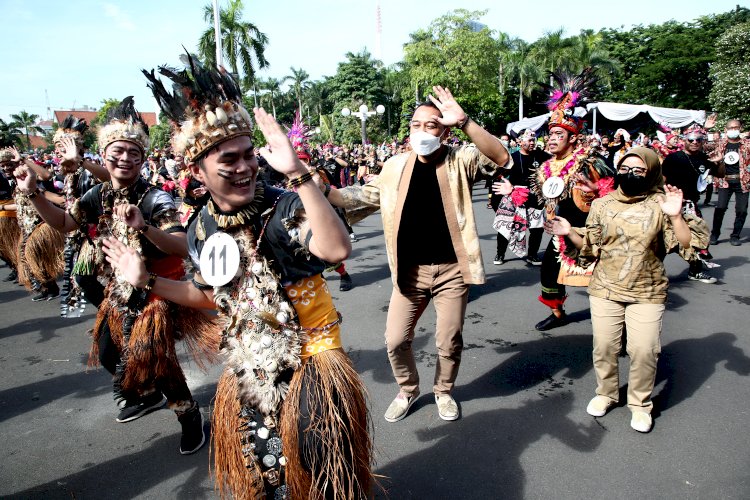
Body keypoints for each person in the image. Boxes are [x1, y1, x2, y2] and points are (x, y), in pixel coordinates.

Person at [136, 55, 373, 498]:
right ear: (197, 171)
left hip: (312, 363)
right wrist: (146, 281)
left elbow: (337, 248)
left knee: (320, 465)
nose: (245, 167)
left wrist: (297, 173)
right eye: (229, 159)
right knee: (269, 475)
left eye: (250, 155)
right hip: (249, 370)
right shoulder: (200, 226)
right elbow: (210, 296)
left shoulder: (284, 205)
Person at [13, 97, 215, 455]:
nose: (125, 159)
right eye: (117, 151)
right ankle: (150, 393)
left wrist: (145, 227)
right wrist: (31, 194)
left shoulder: (155, 198)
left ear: (142, 159)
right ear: (105, 155)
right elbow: (63, 222)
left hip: (157, 292)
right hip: (118, 291)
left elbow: (182, 247)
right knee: (109, 354)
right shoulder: (97, 194)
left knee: (157, 357)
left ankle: (188, 416)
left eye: (133, 153)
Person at [326, 86, 510, 422]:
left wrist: (465, 121)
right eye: (416, 125)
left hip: (452, 272)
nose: (422, 131)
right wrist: (320, 189)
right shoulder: (395, 166)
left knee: (449, 340)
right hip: (409, 272)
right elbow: (361, 197)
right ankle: (408, 390)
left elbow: (499, 156)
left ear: (444, 131)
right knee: (395, 340)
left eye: (432, 125)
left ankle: (443, 391)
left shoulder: (460, 159)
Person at [545, 147, 709, 432]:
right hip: (606, 287)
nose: (630, 174)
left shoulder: (662, 203)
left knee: (644, 350)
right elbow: (590, 244)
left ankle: (640, 404)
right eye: (624, 169)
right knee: (605, 347)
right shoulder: (603, 204)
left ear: (651, 173)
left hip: (647, 290)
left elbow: (688, 244)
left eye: (638, 171)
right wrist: (568, 231)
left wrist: (676, 216)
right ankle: (606, 393)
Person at [531, 68, 614, 331]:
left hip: (589, 232)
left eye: (559, 135)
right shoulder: (545, 167)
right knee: (548, 274)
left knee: (601, 280)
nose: (552, 139)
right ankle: (557, 314)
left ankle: (616, 327)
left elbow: (614, 194)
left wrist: (598, 191)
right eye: (551, 134)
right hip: (559, 235)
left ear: (573, 138)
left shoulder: (590, 162)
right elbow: (543, 198)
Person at [661, 124, 718, 283]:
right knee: (662, 240)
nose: (695, 142)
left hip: (691, 205)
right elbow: (661, 180)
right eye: (691, 139)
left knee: (699, 239)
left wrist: (718, 163)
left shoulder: (704, 158)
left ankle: (695, 271)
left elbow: (718, 173)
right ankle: (652, 272)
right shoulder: (673, 158)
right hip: (671, 205)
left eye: (698, 139)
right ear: (684, 140)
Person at [490, 128, 549, 265]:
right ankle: (500, 254)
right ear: (519, 141)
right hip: (514, 196)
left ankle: (532, 255)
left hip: (536, 197)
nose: (532, 142)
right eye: (529, 140)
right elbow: (499, 175)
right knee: (506, 227)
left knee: (537, 228)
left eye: (533, 140)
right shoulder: (512, 158)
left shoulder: (541, 156)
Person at [707, 119, 749, 246]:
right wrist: (706, 129)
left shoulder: (747, 144)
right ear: (726, 130)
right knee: (720, 207)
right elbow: (701, 145)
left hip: (742, 182)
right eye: (731, 128)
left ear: (740, 128)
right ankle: (715, 233)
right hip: (724, 181)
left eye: (736, 127)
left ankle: (735, 235)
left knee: (742, 210)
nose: (733, 130)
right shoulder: (720, 144)